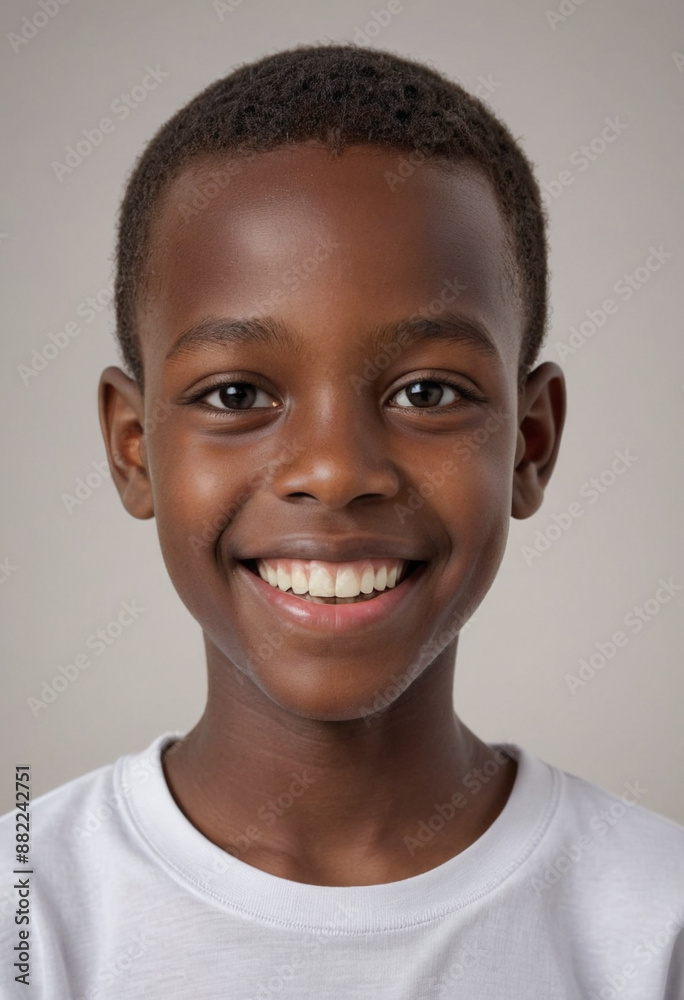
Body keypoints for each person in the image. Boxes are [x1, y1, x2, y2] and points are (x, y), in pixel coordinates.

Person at [2, 42, 683, 999]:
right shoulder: (28, 916)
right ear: (133, 446)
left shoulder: (656, 924)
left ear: (528, 443)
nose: (334, 471)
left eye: (427, 390)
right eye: (237, 393)